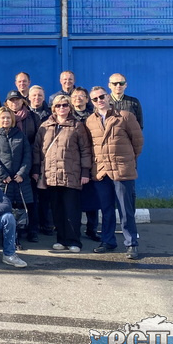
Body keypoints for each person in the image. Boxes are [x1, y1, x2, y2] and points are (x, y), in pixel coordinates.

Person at [86, 86, 144, 260]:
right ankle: (108, 241)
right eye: (95, 99)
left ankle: (131, 243)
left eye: (101, 97)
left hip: (121, 170)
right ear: (92, 102)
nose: (99, 101)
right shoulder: (90, 121)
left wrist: (128, 161)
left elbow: (138, 142)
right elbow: (90, 146)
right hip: (102, 172)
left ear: (108, 97)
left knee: (126, 210)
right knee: (106, 209)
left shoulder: (125, 116)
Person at [32, 95, 92, 253]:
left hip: (71, 174)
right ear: (53, 108)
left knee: (72, 209)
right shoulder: (45, 126)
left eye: (65, 105)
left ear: (70, 107)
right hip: (51, 175)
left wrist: (85, 171)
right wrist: (36, 170)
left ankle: (74, 241)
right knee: (57, 210)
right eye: (58, 105)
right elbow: (37, 149)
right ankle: (61, 239)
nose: (62, 108)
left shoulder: (77, 126)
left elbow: (85, 150)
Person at [0, 107, 33, 249]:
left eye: (8, 117)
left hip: (18, 181)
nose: (5, 120)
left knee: (18, 211)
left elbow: (27, 155)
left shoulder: (20, 135)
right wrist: (3, 175)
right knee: (1, 209)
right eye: (3, 117)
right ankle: (0, 238)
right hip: (1, 181)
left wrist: (22, 173)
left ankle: (15, 239)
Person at [5, 89, 41, 242]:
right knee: (11, 201)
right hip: (10, 165)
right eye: (11, 100)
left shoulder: (33, 117)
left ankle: (32, 230)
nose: (15, 103)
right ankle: (14, 232)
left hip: (28, 163)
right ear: (7, 103)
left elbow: (38, 142)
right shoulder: (3, 117)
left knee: (30, 198)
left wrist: (33, 166)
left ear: (23, 101)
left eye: (17, 100)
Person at [70, 87, 100, 241]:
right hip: (72, 162)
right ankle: (73, 230)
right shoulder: (68, 116)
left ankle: (92, 229)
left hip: (91, 160)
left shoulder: (93, 116)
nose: (78, 98)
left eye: (81, 96)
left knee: (92, 198)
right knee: (73, 199)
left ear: (87, 99)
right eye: (75, 96)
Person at [27, 85, 53, 234]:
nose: (37, 98)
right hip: (29, 158)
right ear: (29, 97)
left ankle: (47, 224)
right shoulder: (24, 114)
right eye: (34, 95)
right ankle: (33, 226)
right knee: (32, 195)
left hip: (46, 159)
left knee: (46, 194)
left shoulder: (50, 114)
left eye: (40, 96)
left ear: (44, 97)